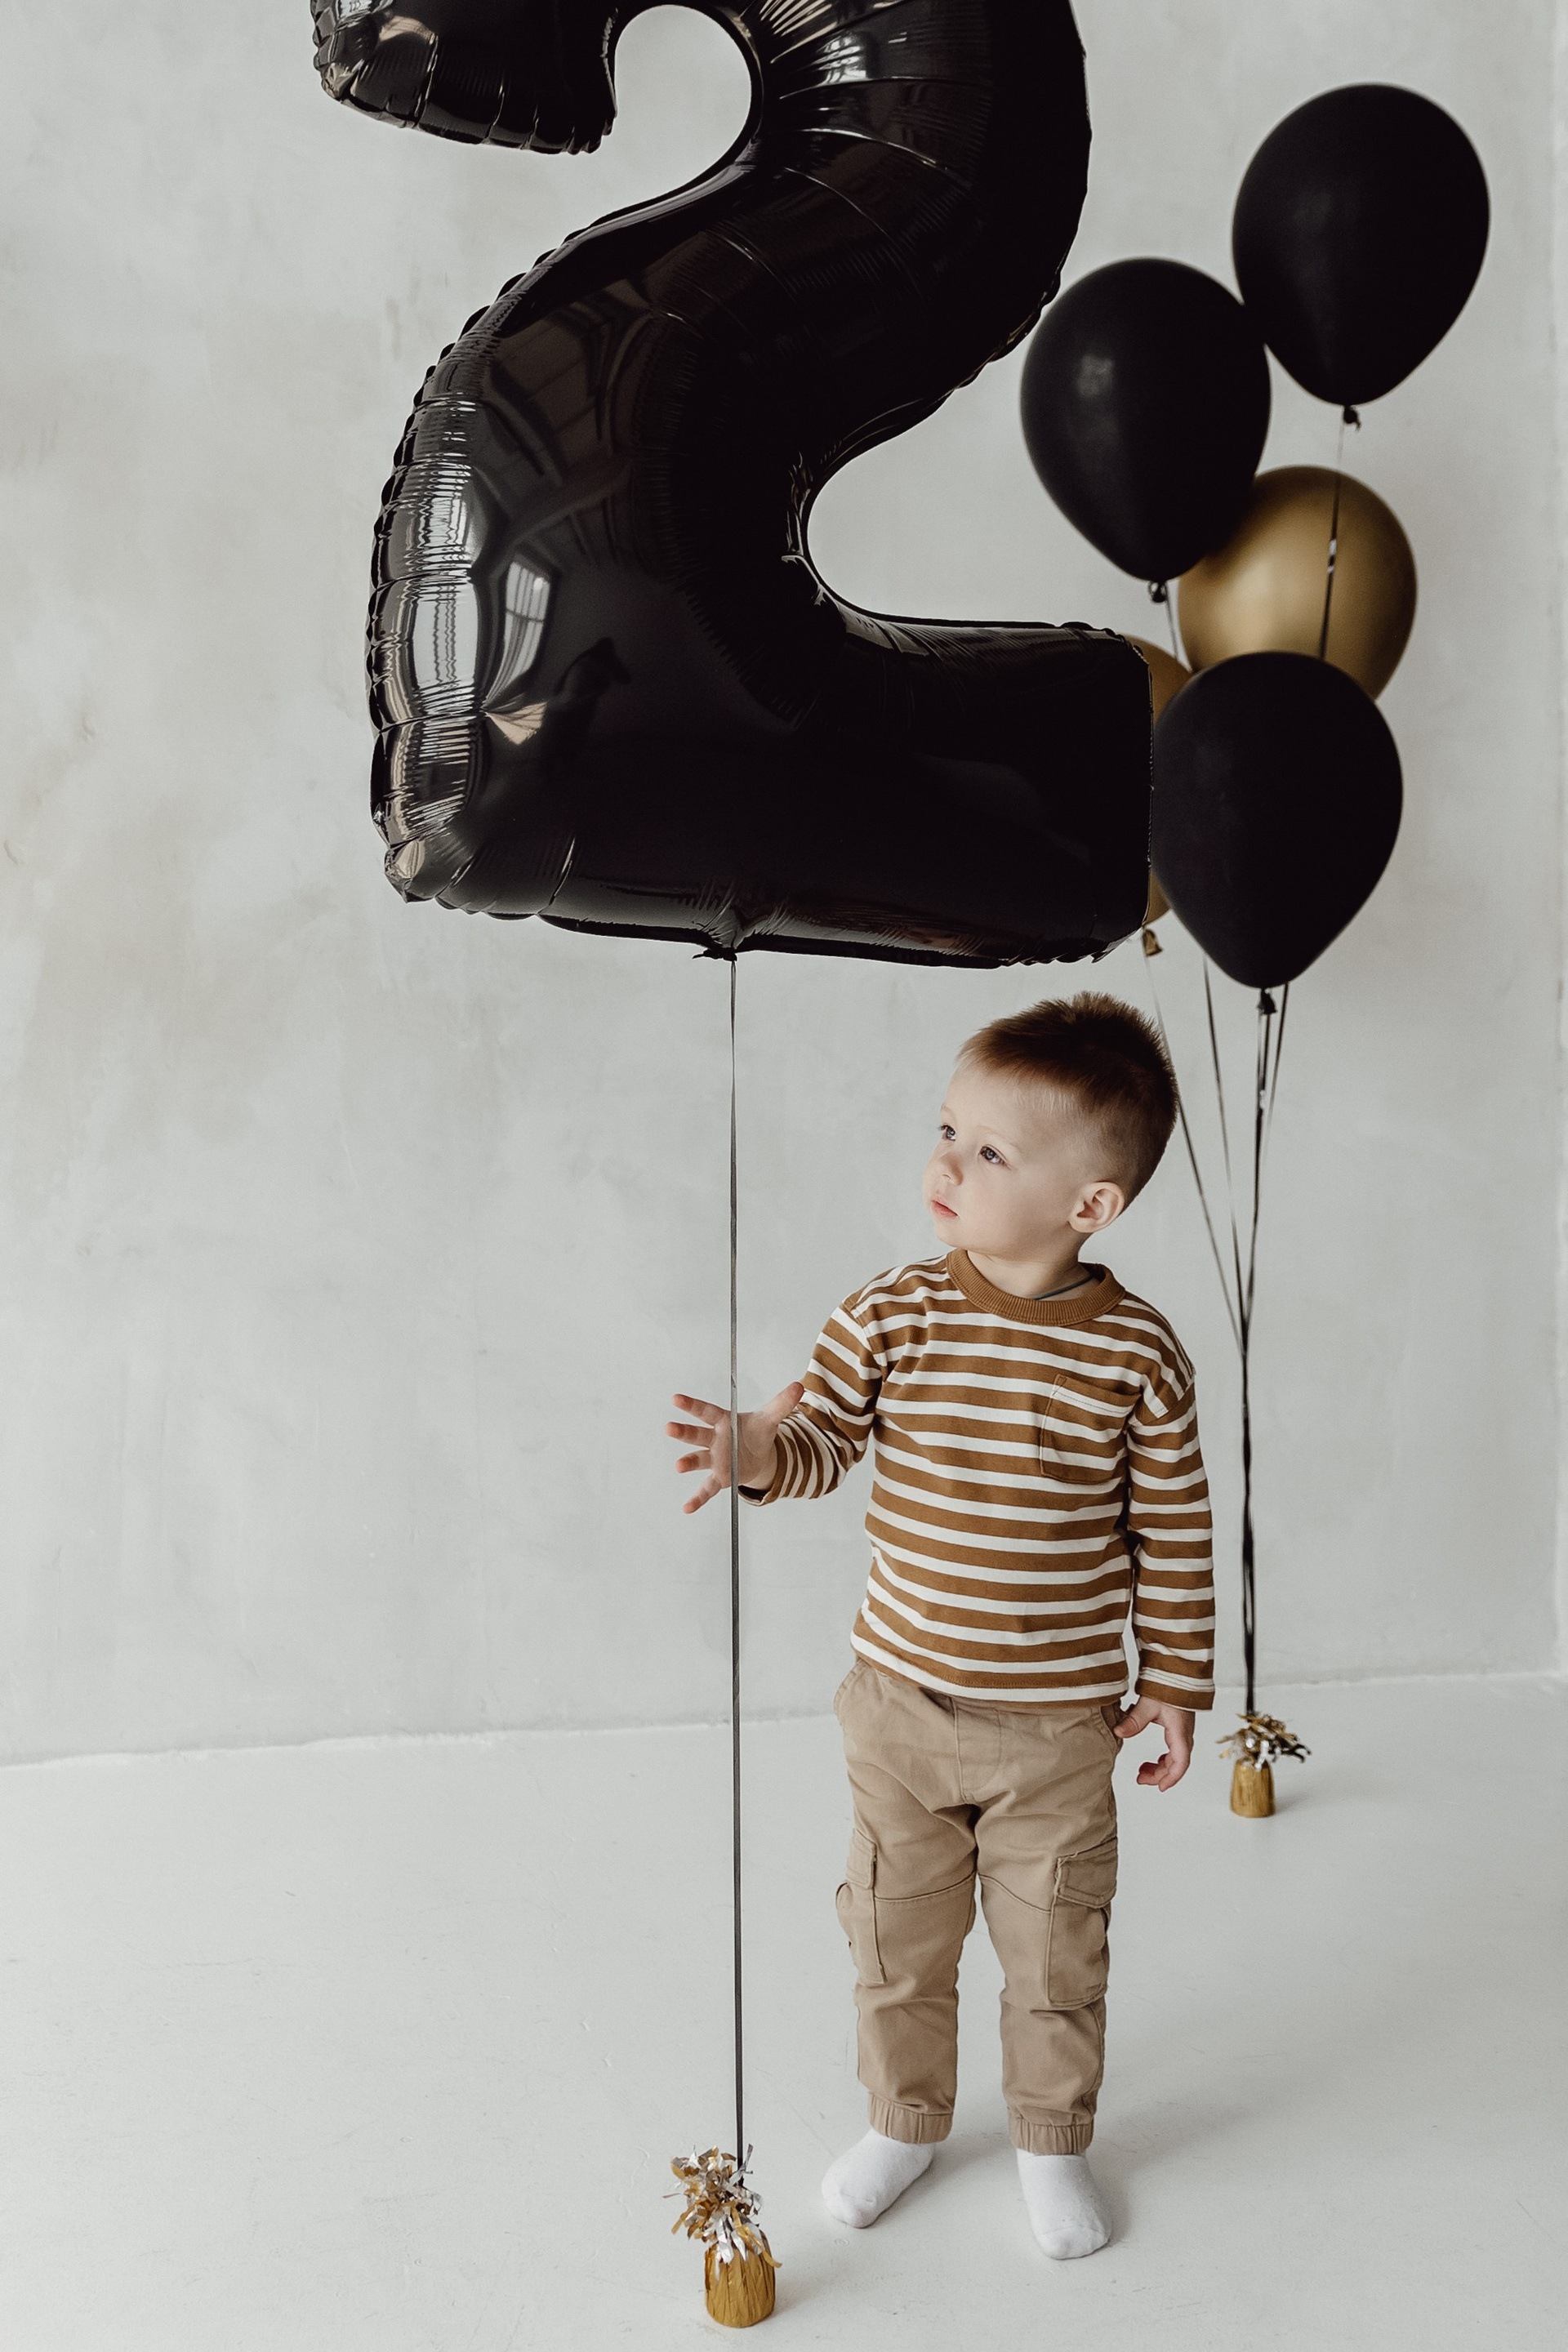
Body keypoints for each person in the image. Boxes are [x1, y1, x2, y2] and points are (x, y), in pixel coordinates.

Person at [666, 993, 1214, 2261]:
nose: (946, 1165)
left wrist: (1177, 1678)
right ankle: (904, 2121)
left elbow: (1174, 1528)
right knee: (894, 1935)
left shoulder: (1137, 1355)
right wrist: (759, 1452)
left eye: (990, 1151)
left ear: (1091, 1205)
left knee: (1055, 1951)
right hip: (900, 1711)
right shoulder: (892, 1313)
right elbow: (822, 1440)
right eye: (947, 1130)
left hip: (1056, 1734)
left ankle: (1050, 2141)